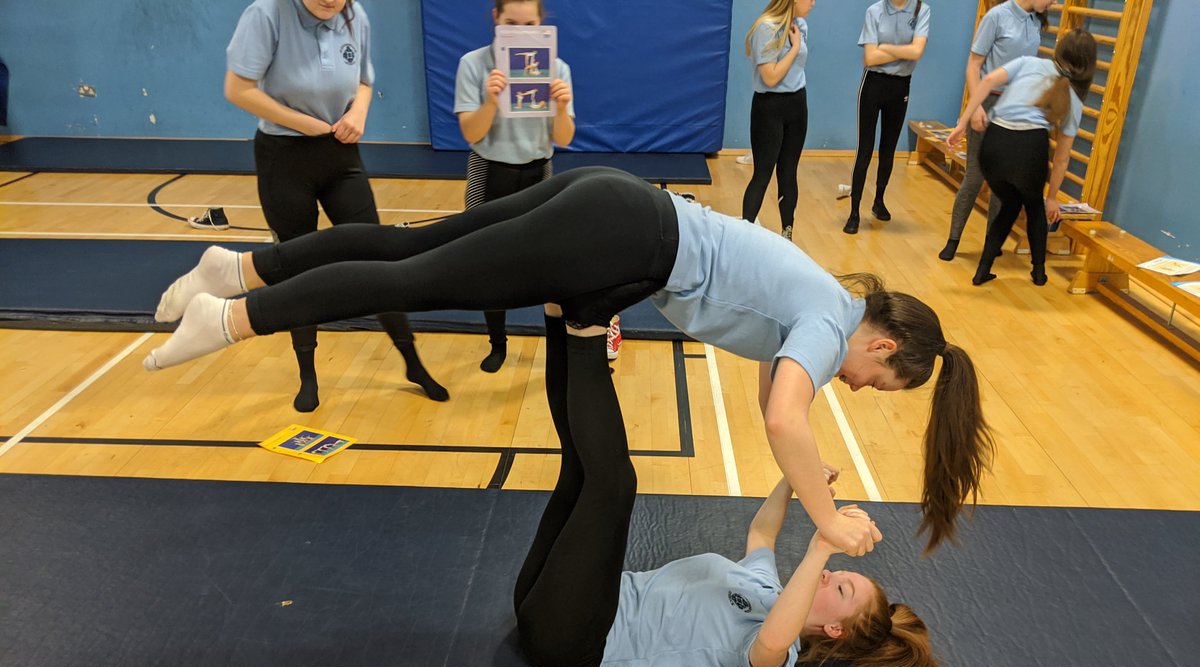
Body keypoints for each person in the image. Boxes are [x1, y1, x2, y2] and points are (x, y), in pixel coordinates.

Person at [145, 166, 995, 554]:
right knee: (420, 274)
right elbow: (784, 418)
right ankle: (233, 318)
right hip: (620, 230)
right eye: (879, 382)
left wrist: (598, 304)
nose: (861, 387)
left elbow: (753, 366)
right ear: (882, 345)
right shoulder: (822, 319)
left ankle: (243, 266)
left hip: (617, 206)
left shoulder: (816, 305)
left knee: (422, 244)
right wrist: (829, 517)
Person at [513, 317, 1003, 667]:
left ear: (834, 628)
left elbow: (769, 642)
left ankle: (585, 331)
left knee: (613, 484)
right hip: (558, 603)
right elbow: (762, 535)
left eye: (845, 588)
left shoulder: (779, 652)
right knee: (579, 472)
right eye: (842, 576)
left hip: (580, 641)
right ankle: (561, 318)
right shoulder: (764, 585)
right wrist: (795, 480)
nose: (833, 578)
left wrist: (821, 549)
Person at [221, 0, 446, 411]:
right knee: (298, 266)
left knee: (379, 259)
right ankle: (308, 374)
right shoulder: (266, 14)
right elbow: (238, 88)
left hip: (340, 153)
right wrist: (299, 122)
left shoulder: (354, 14)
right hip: (284, 157)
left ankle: (412, 362)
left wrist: (359, 112)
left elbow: (363, 81)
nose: (331, 0)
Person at [455, 0, 578, 372]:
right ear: (496, 19)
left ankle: (559, 342)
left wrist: (560, 107)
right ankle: (497, 342)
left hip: (538, 171)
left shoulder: (556, 68)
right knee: (487, 262)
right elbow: (471, 133)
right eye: (511, 22)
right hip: (489, 169)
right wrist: (491, 101)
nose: (521, 31)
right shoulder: (474, 64)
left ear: (541, 23)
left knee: (548, 260)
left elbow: (565, 138)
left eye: (529, 23)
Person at [948, 29, 1096, 286]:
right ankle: (1039, 273)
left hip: (993, 144)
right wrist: (1052, 199)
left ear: (1060, 50)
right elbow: (1061, 158)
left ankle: (983, 269)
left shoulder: (1030, 62)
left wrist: (962, 123)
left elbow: (985, 82)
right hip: (1029, 148)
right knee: (1035, 205)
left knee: (1010, 203)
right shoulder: (1074, 99)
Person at [938, 0, 1052, 262]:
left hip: (1016, 105)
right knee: (976, 176)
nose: (1054, 3)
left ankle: (992, 243)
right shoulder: (996, 17)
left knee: (1005, 181)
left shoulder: (1036, 20)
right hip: (988, 100)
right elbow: (974, 65)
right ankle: (953, 240)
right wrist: (975, 106)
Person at [844, 0, 931, 235]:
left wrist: (887, 47)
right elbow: (870, 58)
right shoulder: (875, 11)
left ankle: (879, 200)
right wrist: (903, 49)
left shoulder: (921, 9)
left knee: (888, 148)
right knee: (865, 149)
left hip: (901, 86)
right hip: (873, 84)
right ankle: (854, 211)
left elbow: (917, 51)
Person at [741, 0, 815, 242]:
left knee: (789, 173)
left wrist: (797, 45)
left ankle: (787, 234)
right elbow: (770, 77)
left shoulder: (800, 25)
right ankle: (743, 234)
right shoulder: (766, 28)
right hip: (769, 108)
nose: (813, 2)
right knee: (763, 173)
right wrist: (794, 48)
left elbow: (797, 70)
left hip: (797, 105)